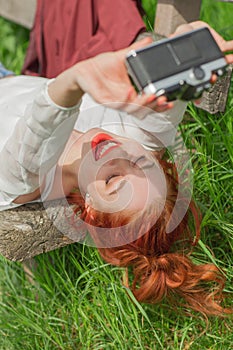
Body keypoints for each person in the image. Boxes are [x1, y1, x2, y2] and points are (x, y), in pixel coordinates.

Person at [1, 24, 233, 316]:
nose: (116, 153)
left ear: (92, 211)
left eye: (112, 180)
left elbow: (40, 126)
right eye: (141, 163)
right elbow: (165, 109)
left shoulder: (27, 179)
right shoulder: (133, 139)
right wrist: (188, 44)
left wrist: (75, 81)